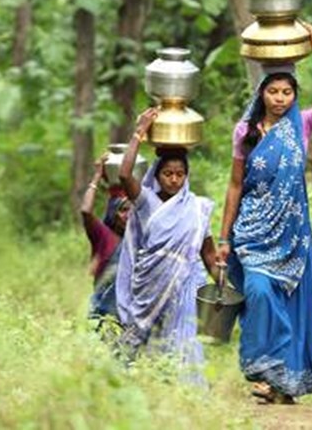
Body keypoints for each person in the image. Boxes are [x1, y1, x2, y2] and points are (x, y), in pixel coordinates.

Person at [216, 22, 312, 405]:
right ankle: (262, 369)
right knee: (258, 292)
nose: (280, 98)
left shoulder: (302, 124)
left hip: (292, 237)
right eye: (273, 91)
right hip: (253, 233)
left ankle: (282, 384)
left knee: (287, 302)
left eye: (287, 91)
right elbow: (235, 185)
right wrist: (224, 238)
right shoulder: (246, 132)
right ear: (262, 92)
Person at [114, 107, 220, 377]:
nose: (174, 179)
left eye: (179, 174)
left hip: (186, 282)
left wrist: (222, 282)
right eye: (168, 174)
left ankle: (187, 392)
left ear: (186, 176)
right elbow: (125, 175)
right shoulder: (147, 201)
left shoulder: (197, 208)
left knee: (184, 337)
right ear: (157, 176)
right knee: (148, 340)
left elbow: (208, 253)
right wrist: (139, 132)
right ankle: (148, 385)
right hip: (150, 282)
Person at [78, 153, 132, 330]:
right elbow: (86, 211)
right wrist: (97, 177)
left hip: (132, 318)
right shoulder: (103, 235)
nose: (128, 215)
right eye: (123, 210)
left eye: (133, 210)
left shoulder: (139, 240)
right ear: (112, 212)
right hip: (105, 316)